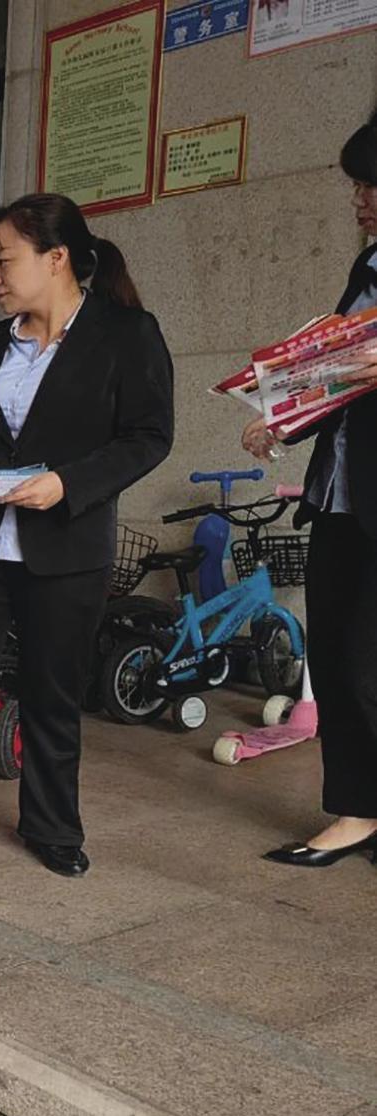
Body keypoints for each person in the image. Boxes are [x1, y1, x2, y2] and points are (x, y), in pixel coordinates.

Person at [0, 193, 174, 882]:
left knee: (53, 696)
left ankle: (52, 828)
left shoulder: (125, 334)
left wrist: (68, 484)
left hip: (67, 549)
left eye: (4, 262)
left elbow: (148, 437)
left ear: (56, 259)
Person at [246, 114, 377, 868]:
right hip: (340, 497)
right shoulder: (368, 268)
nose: (359, 198)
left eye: (370, 184)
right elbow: (335, 371)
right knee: (332, 659)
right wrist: (281, 417)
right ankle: (359, 811)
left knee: (368, 664)